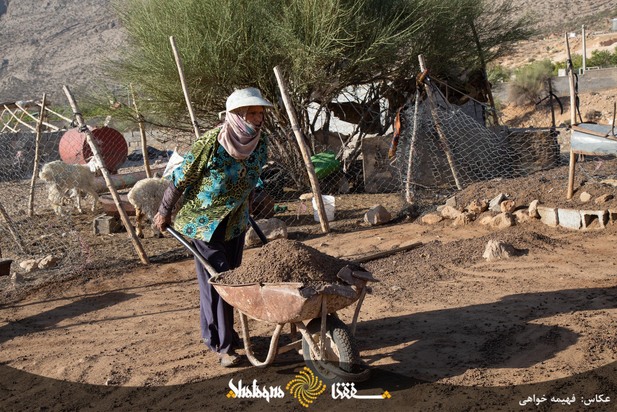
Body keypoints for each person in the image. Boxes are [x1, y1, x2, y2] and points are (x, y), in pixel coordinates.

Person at [153, 87, 273, 367]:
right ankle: (223, 345)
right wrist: (164, 212)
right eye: (253, 113)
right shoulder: (210, 143)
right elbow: (181, 179)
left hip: (236, 223)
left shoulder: (260, 141)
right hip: (203, 224)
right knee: (221, 279)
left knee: (231, 279)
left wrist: (252, 200)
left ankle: (226, 333)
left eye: (260, 113)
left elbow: (252, 177)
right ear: (237, 115)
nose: (258, 118)